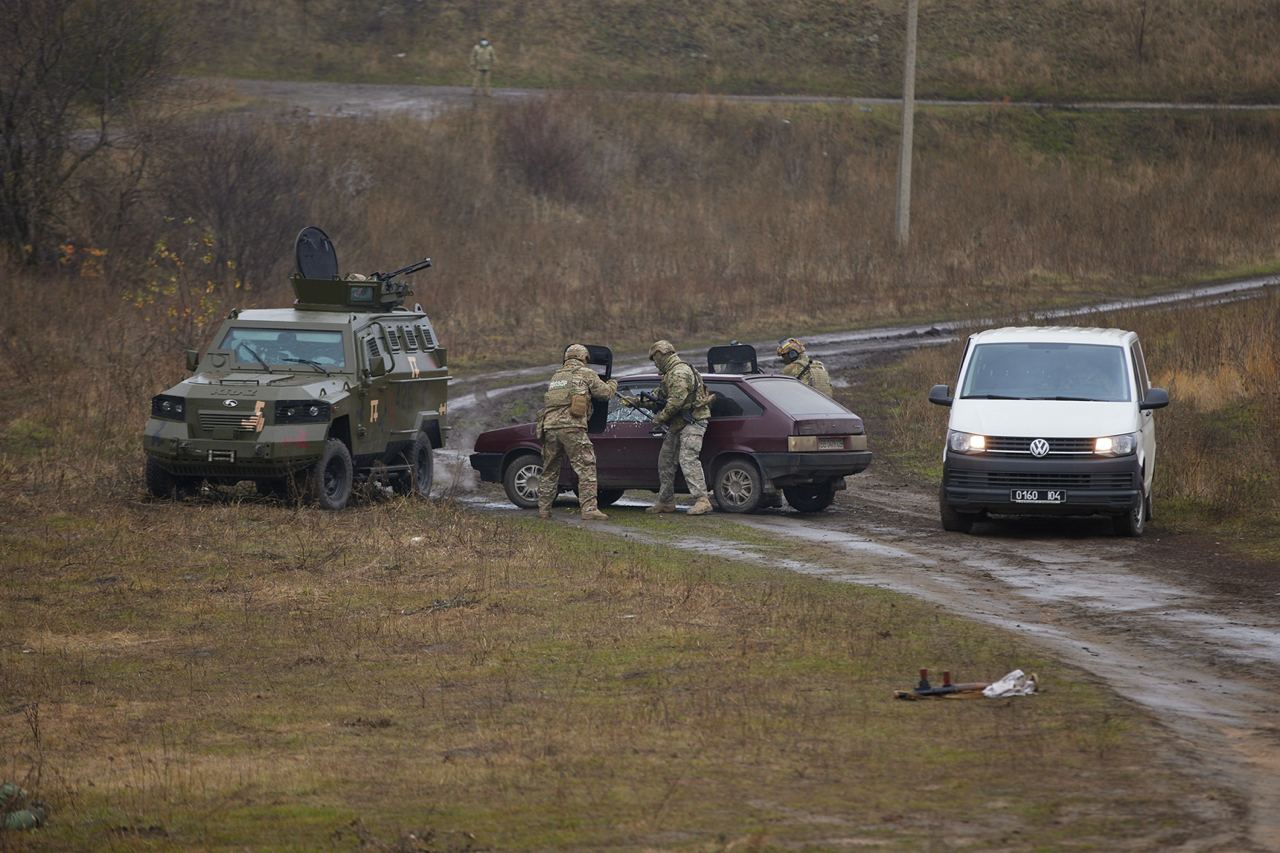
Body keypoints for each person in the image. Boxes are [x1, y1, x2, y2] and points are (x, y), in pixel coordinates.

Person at [537, 344, 617, 520]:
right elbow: (604, 394)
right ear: (584, 358)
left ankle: (544, 509)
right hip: (572, 427)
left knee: (550, 469)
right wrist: (612, 384)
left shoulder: (557, 376)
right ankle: (589, 510)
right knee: (586, 466)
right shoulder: (586, 373)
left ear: (566, 358)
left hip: (549, 427)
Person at [640, 340, 713, 516]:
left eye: (655, 359)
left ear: (662, 355)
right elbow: (660, 396)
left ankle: (702, 500)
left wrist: (659, 418)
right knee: (665, 461)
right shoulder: (670, 374)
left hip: (693, 421)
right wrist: (636, 401)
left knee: (688, 459)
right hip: (679, 424)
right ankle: (665, 501)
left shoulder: (679, 373)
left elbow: (676, 401)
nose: (655, 363)